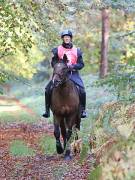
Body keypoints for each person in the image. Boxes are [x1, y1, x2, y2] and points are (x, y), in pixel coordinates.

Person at [42, 30, 87, 118]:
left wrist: (72, 66)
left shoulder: (77, 51)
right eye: (65, 37)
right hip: (59, 73)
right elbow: (53, 62)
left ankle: (82, 110)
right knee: (48, 89)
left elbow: (81, 64)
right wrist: (59, 66)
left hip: (72, 73)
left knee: (82, 90)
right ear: (63, 38)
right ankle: (47, 110)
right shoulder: (57, 50)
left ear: (70, 38)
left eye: (68, 37)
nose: (66, 38)